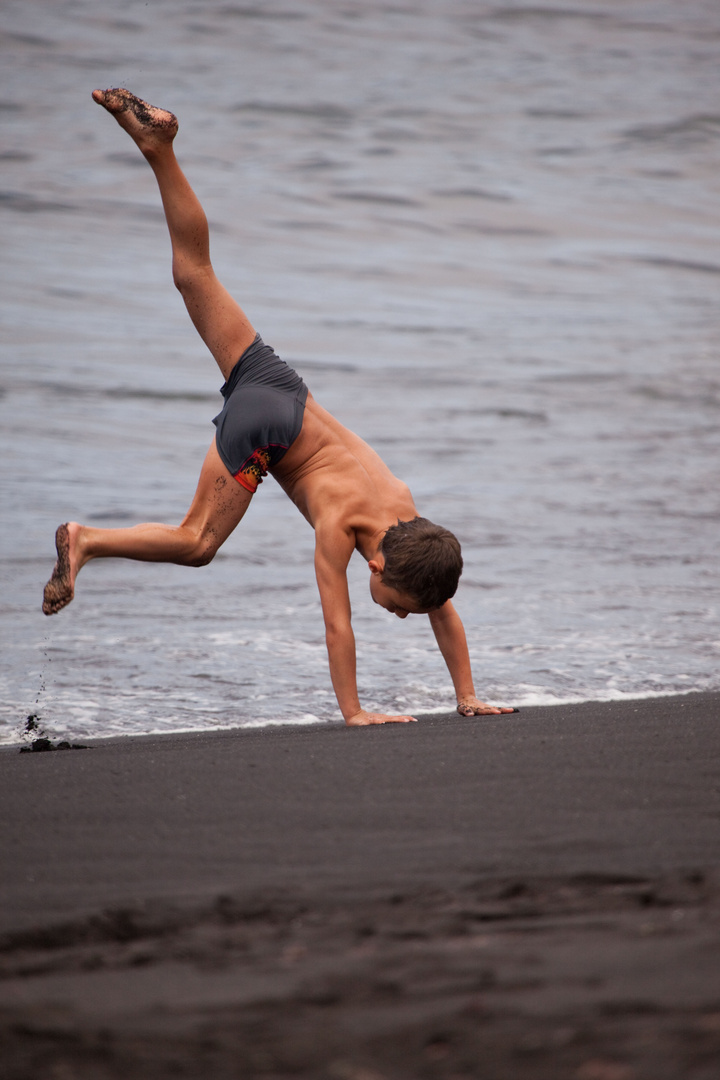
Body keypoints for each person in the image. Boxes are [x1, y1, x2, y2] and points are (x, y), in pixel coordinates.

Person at [42, 88, 517, 726]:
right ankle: (88, 539)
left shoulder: (411, 525)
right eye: (400, 604)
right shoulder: (343, 527)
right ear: (375, 564)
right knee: (198, 542)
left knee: (195, 274)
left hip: (280, 383)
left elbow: (443, 608)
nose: (402, 615)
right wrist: (355, 712)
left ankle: (159, 148)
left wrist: (467, 696)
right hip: (265, 426)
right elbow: (337, 625)